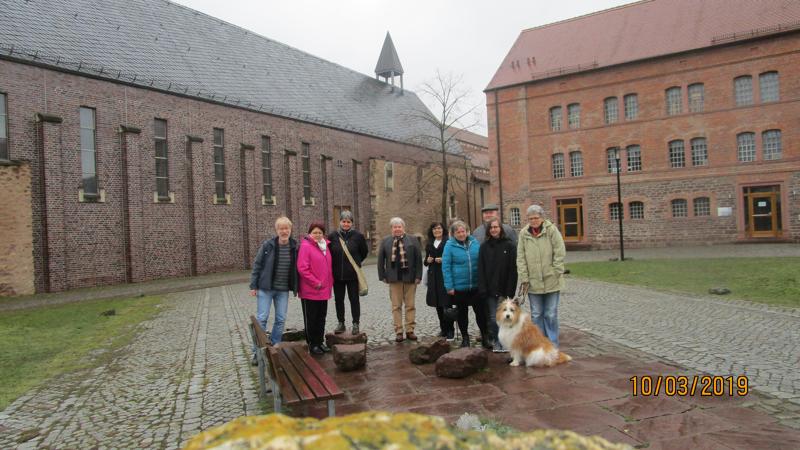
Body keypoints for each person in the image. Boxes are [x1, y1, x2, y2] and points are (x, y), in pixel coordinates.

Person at [248, 216, 299, 364]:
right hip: (266, 288)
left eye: (286, 228)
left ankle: (275, 345)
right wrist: (253, 285)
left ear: (290, 229)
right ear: (277, 230)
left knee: (281, 319)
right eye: (281, 228)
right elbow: (257, 265)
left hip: (282, 290)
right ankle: (258, 351)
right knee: (262, 318)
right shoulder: (268, 246)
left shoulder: (295, 247)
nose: (284, 231)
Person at [517, 204, 566, 347]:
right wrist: (524, 277)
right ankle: (540, 343)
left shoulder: (551, 230)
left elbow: (559, 250)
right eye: (531, 218)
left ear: (542, 218)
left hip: (552, 280)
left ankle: (552, 344)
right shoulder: (524, 234)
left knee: (550, 314)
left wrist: (557, 270)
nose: (533, 221)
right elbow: (520, 257)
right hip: (533, 282)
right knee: (537, 314)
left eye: (536, 218)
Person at [377, 217, 423, 343]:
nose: (397, 229)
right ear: (391, 229)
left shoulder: (413, 240)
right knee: (396, 306)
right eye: (394, 227)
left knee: (410, 305)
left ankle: (410, 330)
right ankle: (398, 331)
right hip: (393, 278)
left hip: (410, 278)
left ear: (403, 227)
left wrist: (419, 276)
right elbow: (381, 260)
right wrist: (382, 276)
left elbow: (418, 259)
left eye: (399, 226)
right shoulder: (386, 241)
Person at [442, 220, 486, 348]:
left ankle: (485, 335)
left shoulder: (475, 243)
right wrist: (449, 286)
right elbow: (446, 266)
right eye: (458, 232)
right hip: (459, 286)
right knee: (462, 313)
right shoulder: (449, 245)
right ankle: (465, 337)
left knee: (480, 312)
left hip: (476, 285)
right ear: (453, 233)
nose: (461, 234)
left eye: (463, 231)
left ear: (467, 231)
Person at [477, 216, 517, 352]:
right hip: (489, 289)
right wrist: (482, 288)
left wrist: (510, 291)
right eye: (491, 227)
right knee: (494, 319)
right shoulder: (484, 247)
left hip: (505, 289)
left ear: (501, 229)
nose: (494, 229)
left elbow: (513, 270)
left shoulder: (509, 246)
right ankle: (497, 341)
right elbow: (481, 269)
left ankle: (507, 343)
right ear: (488, 230)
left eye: (496, 227)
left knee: (507, 318)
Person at [327, 211, 369, 335]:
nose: (346, 224)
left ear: (352, 223)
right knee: (339, 300)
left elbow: (364, 252)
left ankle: (356, 323)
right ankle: (341, 323)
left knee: (354, 299)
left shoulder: (358, 236)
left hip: (352, 275)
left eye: (348, 222)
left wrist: (356, 262)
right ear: (340, 222)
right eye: (343, 221)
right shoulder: (332, 236)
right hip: (337, 275)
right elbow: (329, 253)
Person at [297, 222, 334, 355]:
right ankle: (312, 344)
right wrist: (315, 282)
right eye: (314, 232)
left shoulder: (325, 246)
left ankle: (319, 342)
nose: (317, 235)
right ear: (310, 233)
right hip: (311, 291)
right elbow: (302, 268)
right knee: (311, 318)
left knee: (321, 317)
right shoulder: (306, 246)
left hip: (324, 290)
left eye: (320, 232)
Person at [424, 222, 455, 340]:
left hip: (444, 275)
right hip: (433, 276)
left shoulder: (449, 241)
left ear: (443, 230)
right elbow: (426, 262)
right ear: (432, 231)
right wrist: (428, 260)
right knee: (437, 304)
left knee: (447, 303)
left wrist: (443, 259)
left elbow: (452, 257)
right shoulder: (429, 243)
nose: (437, 231)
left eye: (439, 228)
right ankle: (443, 329)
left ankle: (450, 330)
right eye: (434, 229)